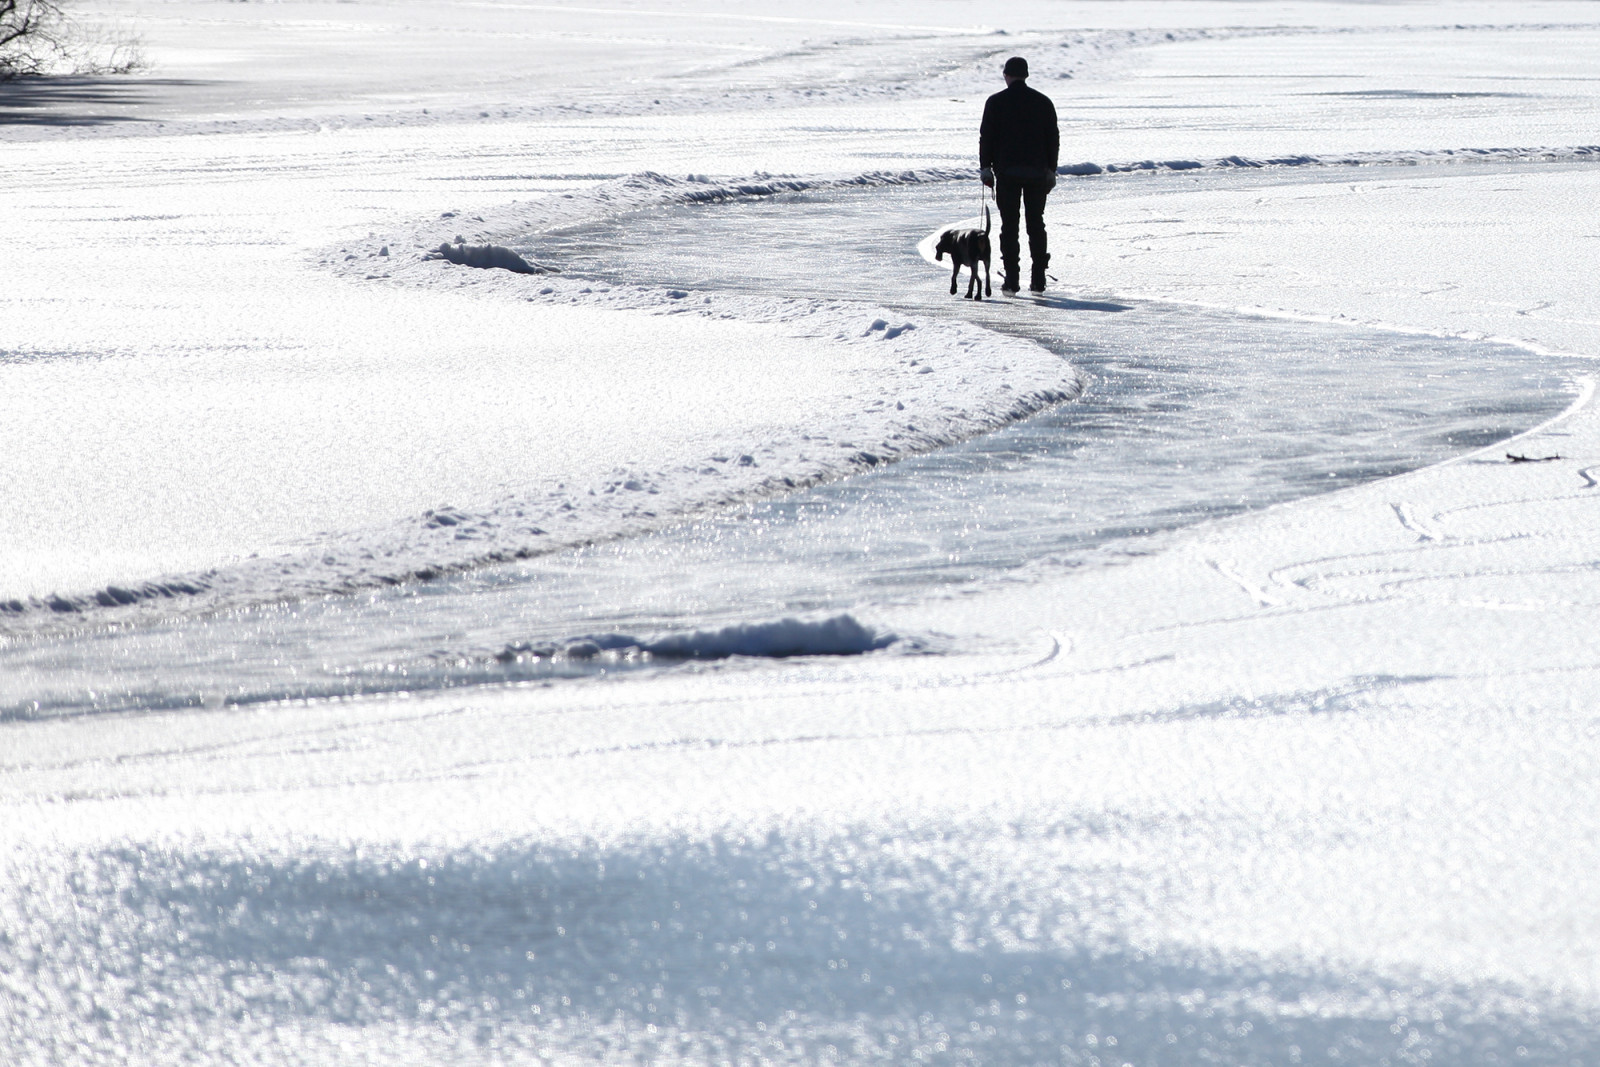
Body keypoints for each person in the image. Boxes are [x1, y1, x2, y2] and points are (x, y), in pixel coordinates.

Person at [979, 56, 1059, 293]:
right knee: (1036, 224)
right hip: (1037, 173)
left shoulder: (996, 102)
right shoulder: (1043, 102)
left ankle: (1012, 278)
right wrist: (1051, 170)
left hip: (1007, 173)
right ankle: (1038, 278)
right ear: (1026, 75)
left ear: (1006, 75)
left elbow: (987, 137)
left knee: (1009, 225)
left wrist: (986, 168)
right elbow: (1052, 139)